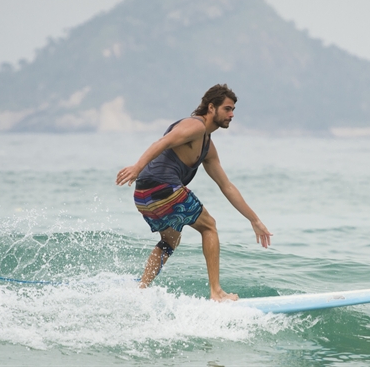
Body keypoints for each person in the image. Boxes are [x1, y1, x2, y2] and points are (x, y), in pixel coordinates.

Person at [116, 84, 272, 301]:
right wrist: (136, 167)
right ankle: (216, 292)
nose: (232, 114)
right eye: (227, 109)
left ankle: (141, 289)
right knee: (209, 226)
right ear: (211, 107)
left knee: (170, 240)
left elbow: (226, 186)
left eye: (233, 109)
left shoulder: (207, 147)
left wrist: (254, 219)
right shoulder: (195, 126)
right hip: (163, 187)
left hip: (144, 195)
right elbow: (162, 142)